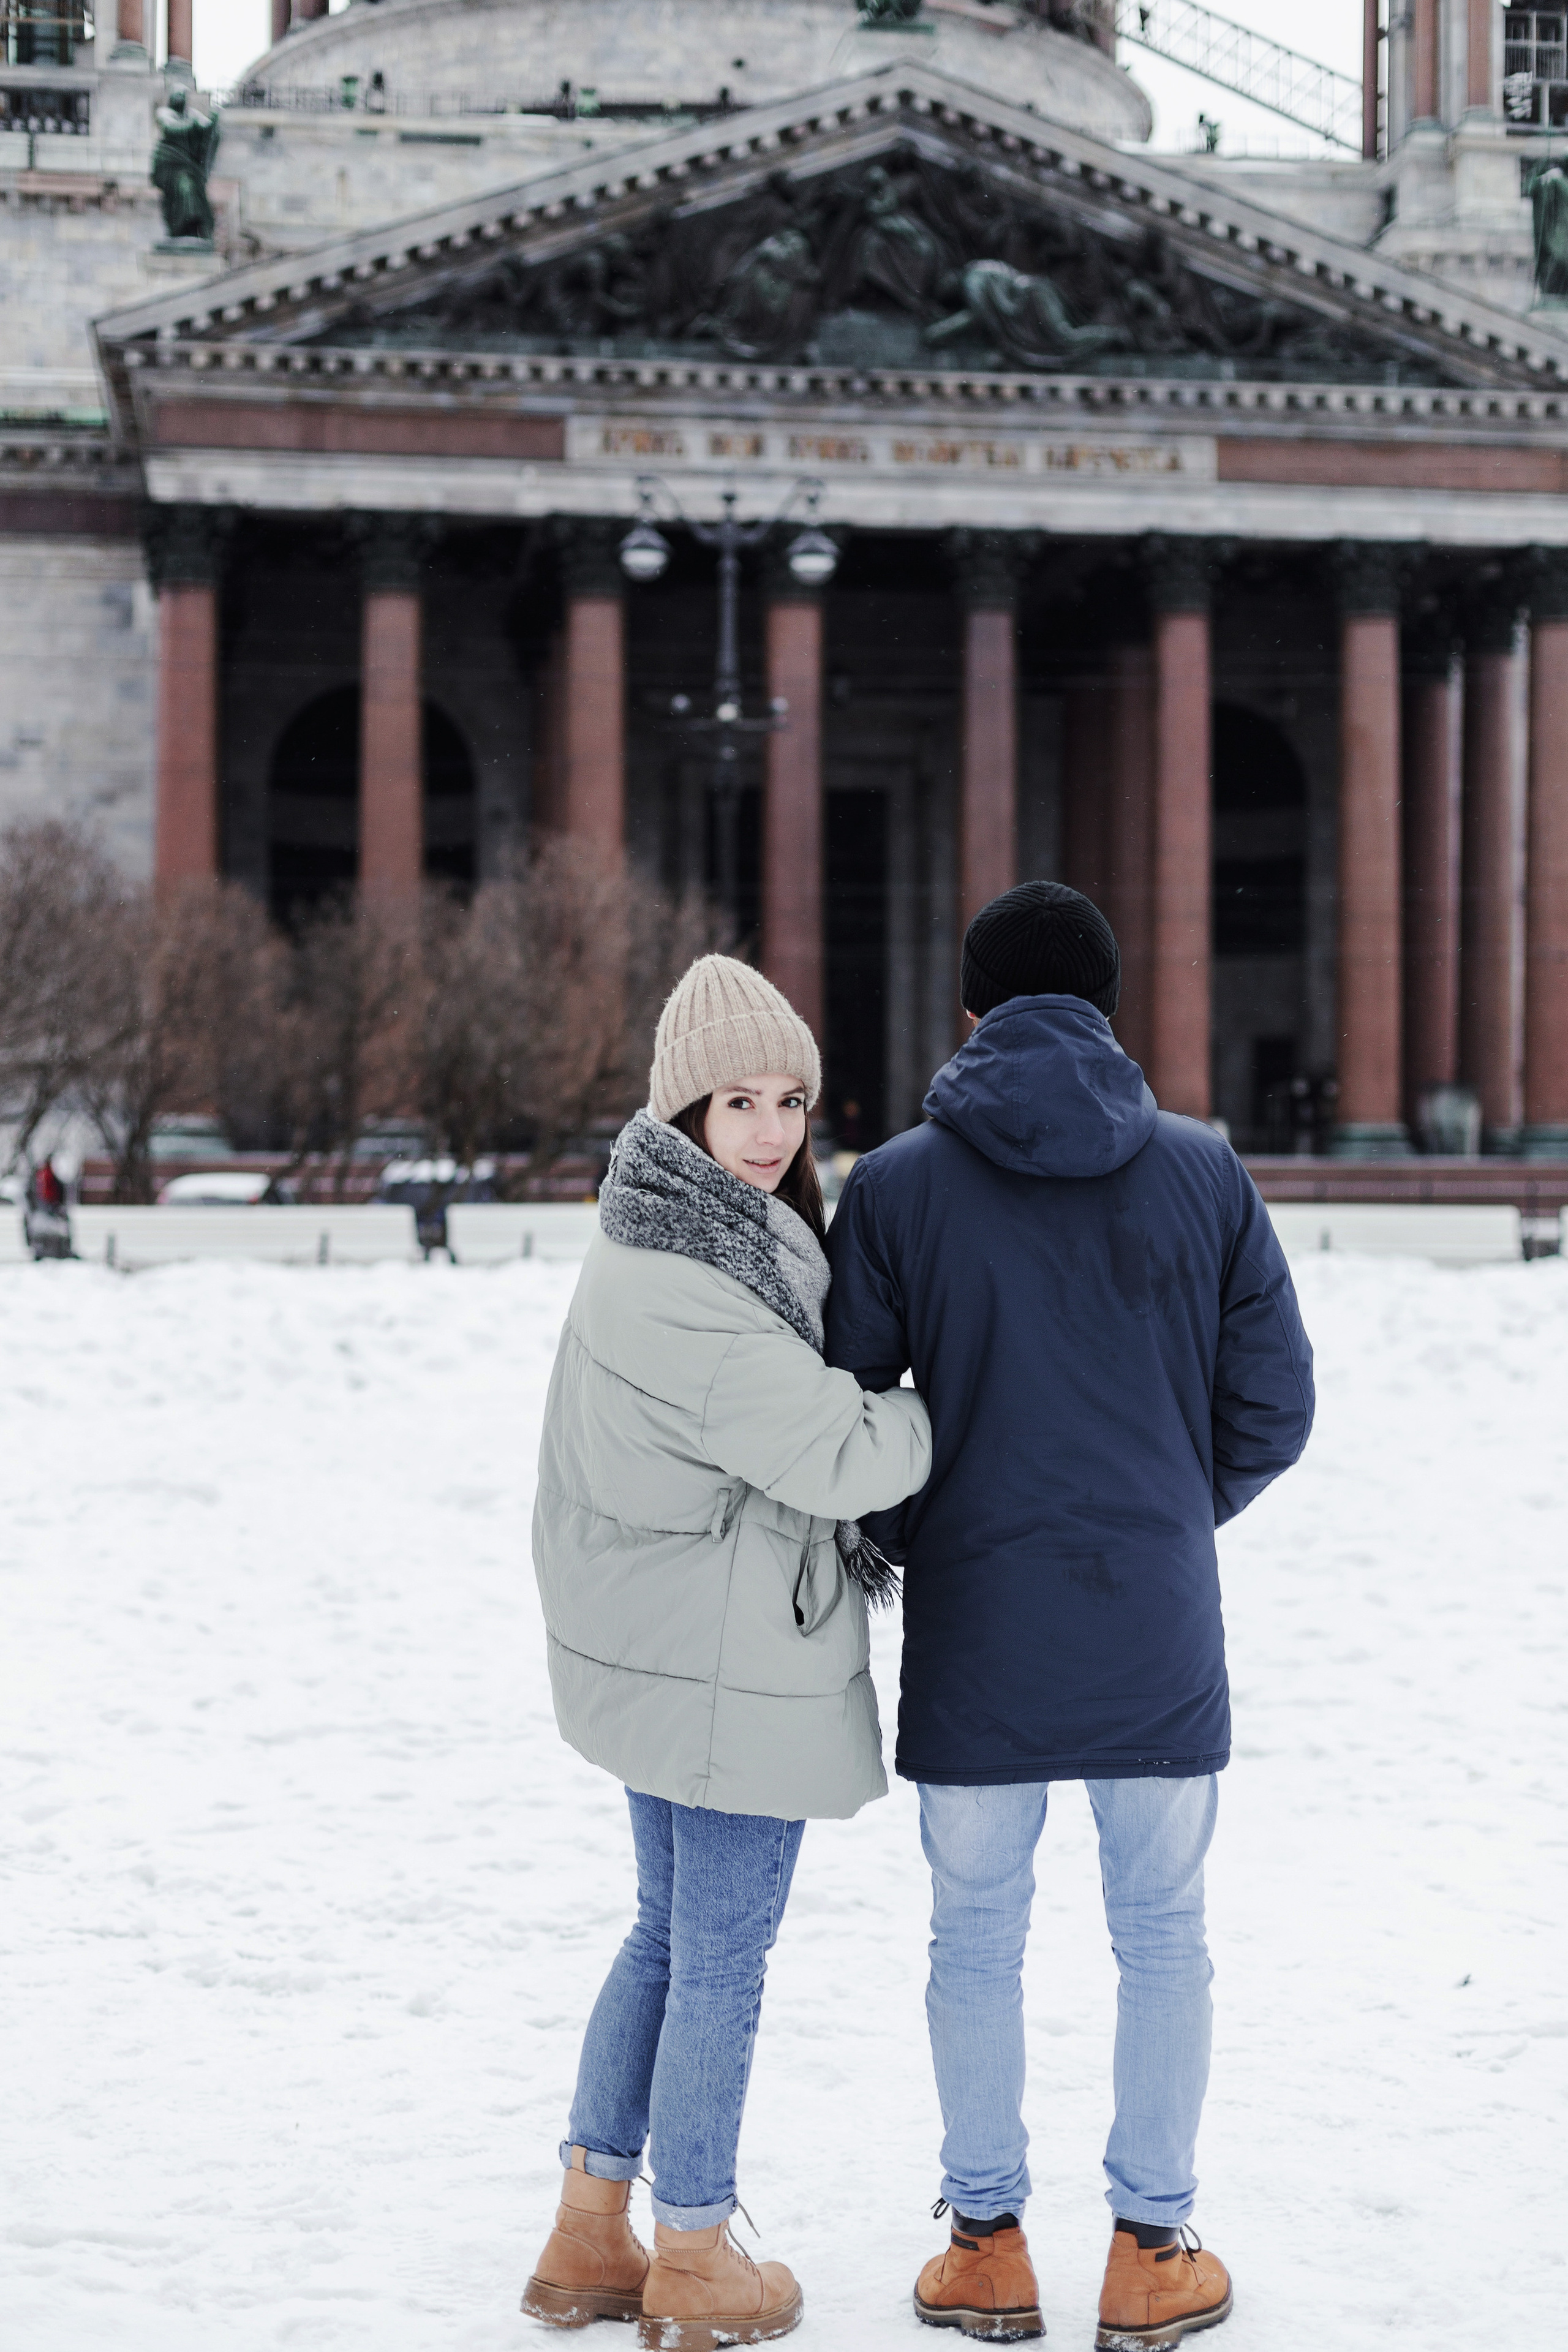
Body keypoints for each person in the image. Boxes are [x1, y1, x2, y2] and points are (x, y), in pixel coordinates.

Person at [825, 881, 1314, 2349]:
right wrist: (1170, 1509)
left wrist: (932, 1529)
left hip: (978, 1624)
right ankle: (1148, 2253)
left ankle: (983, 2246)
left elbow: (848, 1420)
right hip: (1153, 1625)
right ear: (1108, 1009)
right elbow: (1275, 1405)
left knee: (974, 1935)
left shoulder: (899, 1185)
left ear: (969, 1011)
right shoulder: (1203, 1172)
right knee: (1160, 1930)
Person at [527, 953, 932, 2346]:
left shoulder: (662, 1234)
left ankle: (590, 2231)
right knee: (719, 1960)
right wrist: (954, 1400)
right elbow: (835, 1448)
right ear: (680, 1109)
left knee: (665, 1936)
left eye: (791, 1101)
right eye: (737, 1100)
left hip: (667, 1649)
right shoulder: (694, 1283)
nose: (768, 1131)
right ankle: (694, 2254)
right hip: (723, 1667)